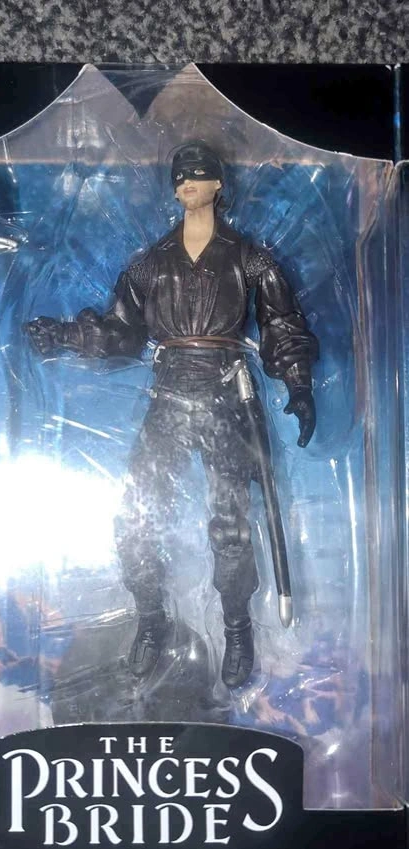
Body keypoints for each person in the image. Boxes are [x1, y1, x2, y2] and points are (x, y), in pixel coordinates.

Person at [25, 140, 318, 687]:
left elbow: (282, 324)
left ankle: (237, 627)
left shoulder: (249, 258)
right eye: (180, 176)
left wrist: (299, 385)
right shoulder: (151, 264)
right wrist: (65, 334)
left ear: (218, 184)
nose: (187, 183)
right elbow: (121, 332)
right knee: (135, 515)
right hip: (169, 394)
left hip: (227, 392)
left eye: (198, 174)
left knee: (230, 525)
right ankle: (151, 618)